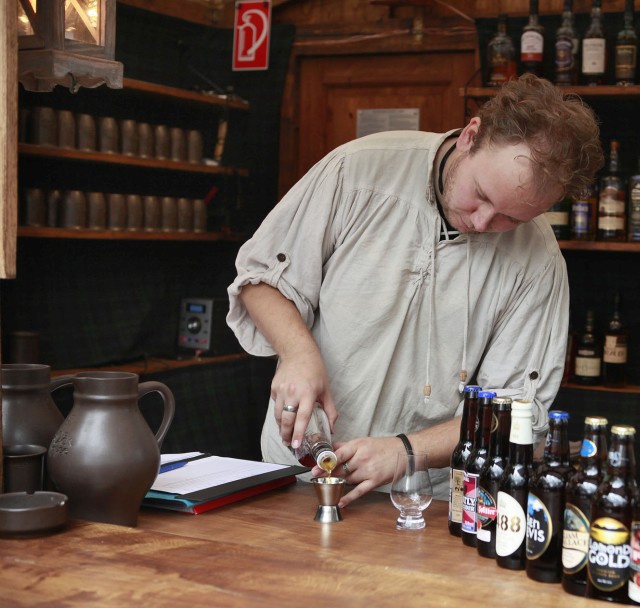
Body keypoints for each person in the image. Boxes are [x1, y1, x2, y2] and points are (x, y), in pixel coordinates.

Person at [227, 74, 603, 509]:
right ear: (471, 136)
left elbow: (513, 413)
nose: (482, 222)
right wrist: (296, 353)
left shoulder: (538, 259)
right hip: (299, 469)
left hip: (425, 497)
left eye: (511, 218)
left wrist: (407, 451)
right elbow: (260, 279)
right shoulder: (358, 172)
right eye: (480, 194)